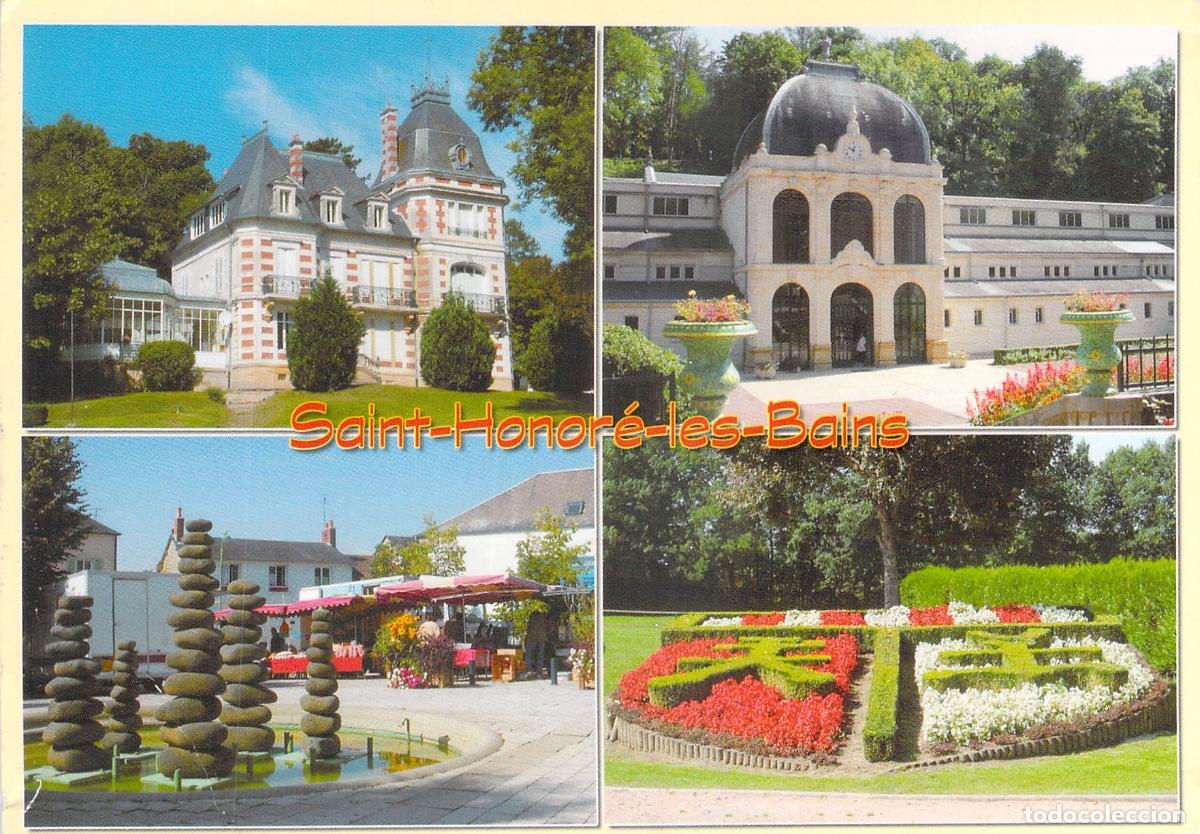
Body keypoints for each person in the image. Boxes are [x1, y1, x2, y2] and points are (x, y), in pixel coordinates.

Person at [524, 609, 548, 679]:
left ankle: (529, 671)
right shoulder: (542, 617)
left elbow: (528, 627)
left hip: (532, 637)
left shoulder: (532, 617)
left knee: (529, 654)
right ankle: (539, 672)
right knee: (540, 655)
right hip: (541, 637)